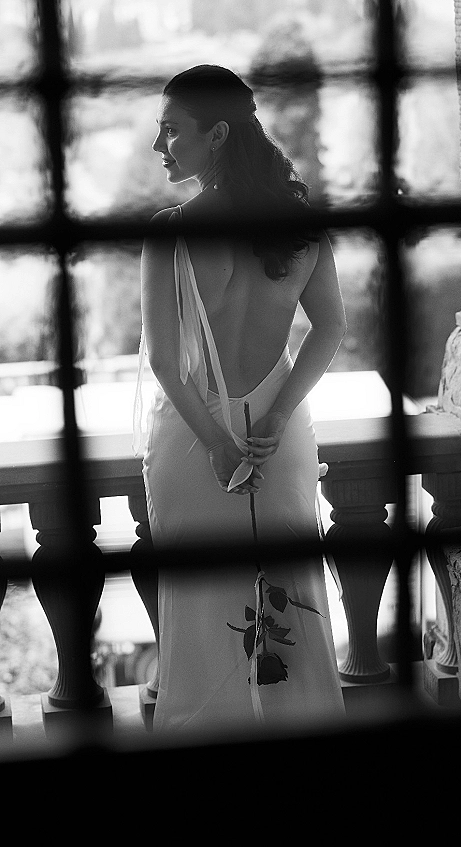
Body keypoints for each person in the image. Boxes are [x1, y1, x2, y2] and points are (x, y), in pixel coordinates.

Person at [134, 65, 347, 737]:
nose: (159, 144)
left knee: (198, 605)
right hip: (278, 433)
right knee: (293, 597)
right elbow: (330, 329)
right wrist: (277, 416)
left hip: (194, 435)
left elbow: (165, 363)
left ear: (218, 134)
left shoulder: (170, 232)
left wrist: (218, 444)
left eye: (172, 129)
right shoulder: (300, 227)